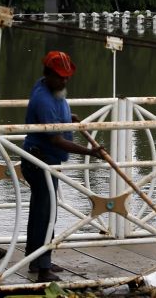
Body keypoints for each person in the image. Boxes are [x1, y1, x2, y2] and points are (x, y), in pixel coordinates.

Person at [21, 51, 102, 282]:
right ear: (48, 75)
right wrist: (90, 152)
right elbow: (56, 140)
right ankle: (43, 269)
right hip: (40, 162)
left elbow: (56, 113)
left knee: (40, 212)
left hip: (43, 161)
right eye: (60, 77)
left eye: (67, 77)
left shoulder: (48, 89)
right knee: (47, 214)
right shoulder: (43, 99)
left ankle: (35, 260)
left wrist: (70, 116)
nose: (64, 81)